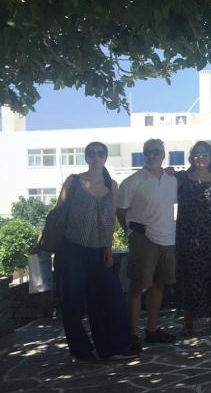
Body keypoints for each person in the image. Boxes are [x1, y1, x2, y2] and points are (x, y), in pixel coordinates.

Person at [53, 142, 138, 361]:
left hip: (100, 250)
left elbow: (111, 219)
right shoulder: (74, 181)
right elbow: (59, 212)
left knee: (109, 299)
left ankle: (114, 346)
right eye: (91, 153)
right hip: (72, 248)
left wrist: (108, 247)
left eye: (100, 153)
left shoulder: (112, 185)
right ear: (86, 157)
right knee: (72, 302)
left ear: (106, 157)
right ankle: (81, 350)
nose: (96, 156)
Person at [117, 139, 179, 350]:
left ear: (163, 155)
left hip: (167, 238)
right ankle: (132, 334)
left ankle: (152, 330)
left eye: (156, 152)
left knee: (159, 285)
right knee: (137, 287)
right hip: (144, 239)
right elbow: (120, 211)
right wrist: (131, 233)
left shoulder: (172, 180)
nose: (152, 156)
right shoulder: (132, 181)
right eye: (147, 152)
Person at [175, 141, 211, 335]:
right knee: (190, 278)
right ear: (191, 158)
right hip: (189, 237)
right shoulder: (181, 178)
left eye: (205, 153)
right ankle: (188, 323)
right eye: (197, 154)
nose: (201, 157)